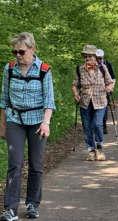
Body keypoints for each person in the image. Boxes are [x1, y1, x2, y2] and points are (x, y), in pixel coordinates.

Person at [0, 32, 56, 220]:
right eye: (14, 51)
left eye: (21, 51)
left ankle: (32, 203)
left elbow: (49, 101)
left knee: (36, 164)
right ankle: (10, 209)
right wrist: (2, 126)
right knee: (14, 164)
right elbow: (4, 100)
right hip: (14, 120)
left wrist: (46, 122)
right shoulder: (9, 69)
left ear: (32, 49)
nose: (17, 55)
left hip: (38, 122)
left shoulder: (44, 70)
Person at [72, 45, 114, 161]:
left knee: (97, 124)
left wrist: (109, 88)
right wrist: (76, 94)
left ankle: (99, 148)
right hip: (85, 102)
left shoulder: (102, 68)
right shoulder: (79, 69)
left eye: (89, 56)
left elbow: (110, 82)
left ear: (95, 57)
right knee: (87, 127)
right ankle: (90, 150)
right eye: (85, 56)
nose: (87, 58)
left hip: (100, 101)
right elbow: (75, 85)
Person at [96, 49, 116, 135]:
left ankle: (103, 125)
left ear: (103, 57)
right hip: (96, 90)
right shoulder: (93, 64)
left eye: (100, 58)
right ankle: (97, 125)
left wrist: (111, 88)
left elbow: (113, 78)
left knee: (104, 107)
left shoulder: (108, 64)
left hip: (105, 89)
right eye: (97, 58)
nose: (99, 60)